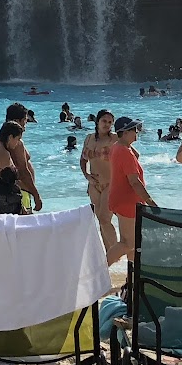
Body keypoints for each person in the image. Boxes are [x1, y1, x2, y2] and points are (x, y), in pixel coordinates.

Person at [106, 117, 154, 263]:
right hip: (127, 202)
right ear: (125, 132)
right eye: (134, 130)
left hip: (120, 199)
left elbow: (136, 156)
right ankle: (97, 271)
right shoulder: (124, 152)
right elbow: (134, 182)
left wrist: (128, 144)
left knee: (134, 244)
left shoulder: (117, 146)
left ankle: (132, 275)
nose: (137, 132)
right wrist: (150, 202)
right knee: (127, 243)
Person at [79, 109, 120, 259]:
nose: (107, 124)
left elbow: (134, 155)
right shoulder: (89, 138)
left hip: (110, 183)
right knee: (101, 221)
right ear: (97, 121)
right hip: (94, 185)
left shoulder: (115, 139)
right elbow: (83, 160)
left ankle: (117, 252)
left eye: (110, 122)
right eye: (104, 121)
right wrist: (86, 175)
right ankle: (108, 256)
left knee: (104, 219)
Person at [0, 114, 42, 213]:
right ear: (10, 137)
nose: (18, 143)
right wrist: (33, 197)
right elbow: (8, 185)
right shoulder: (3, 153)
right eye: (17, 139)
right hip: (6, 198)